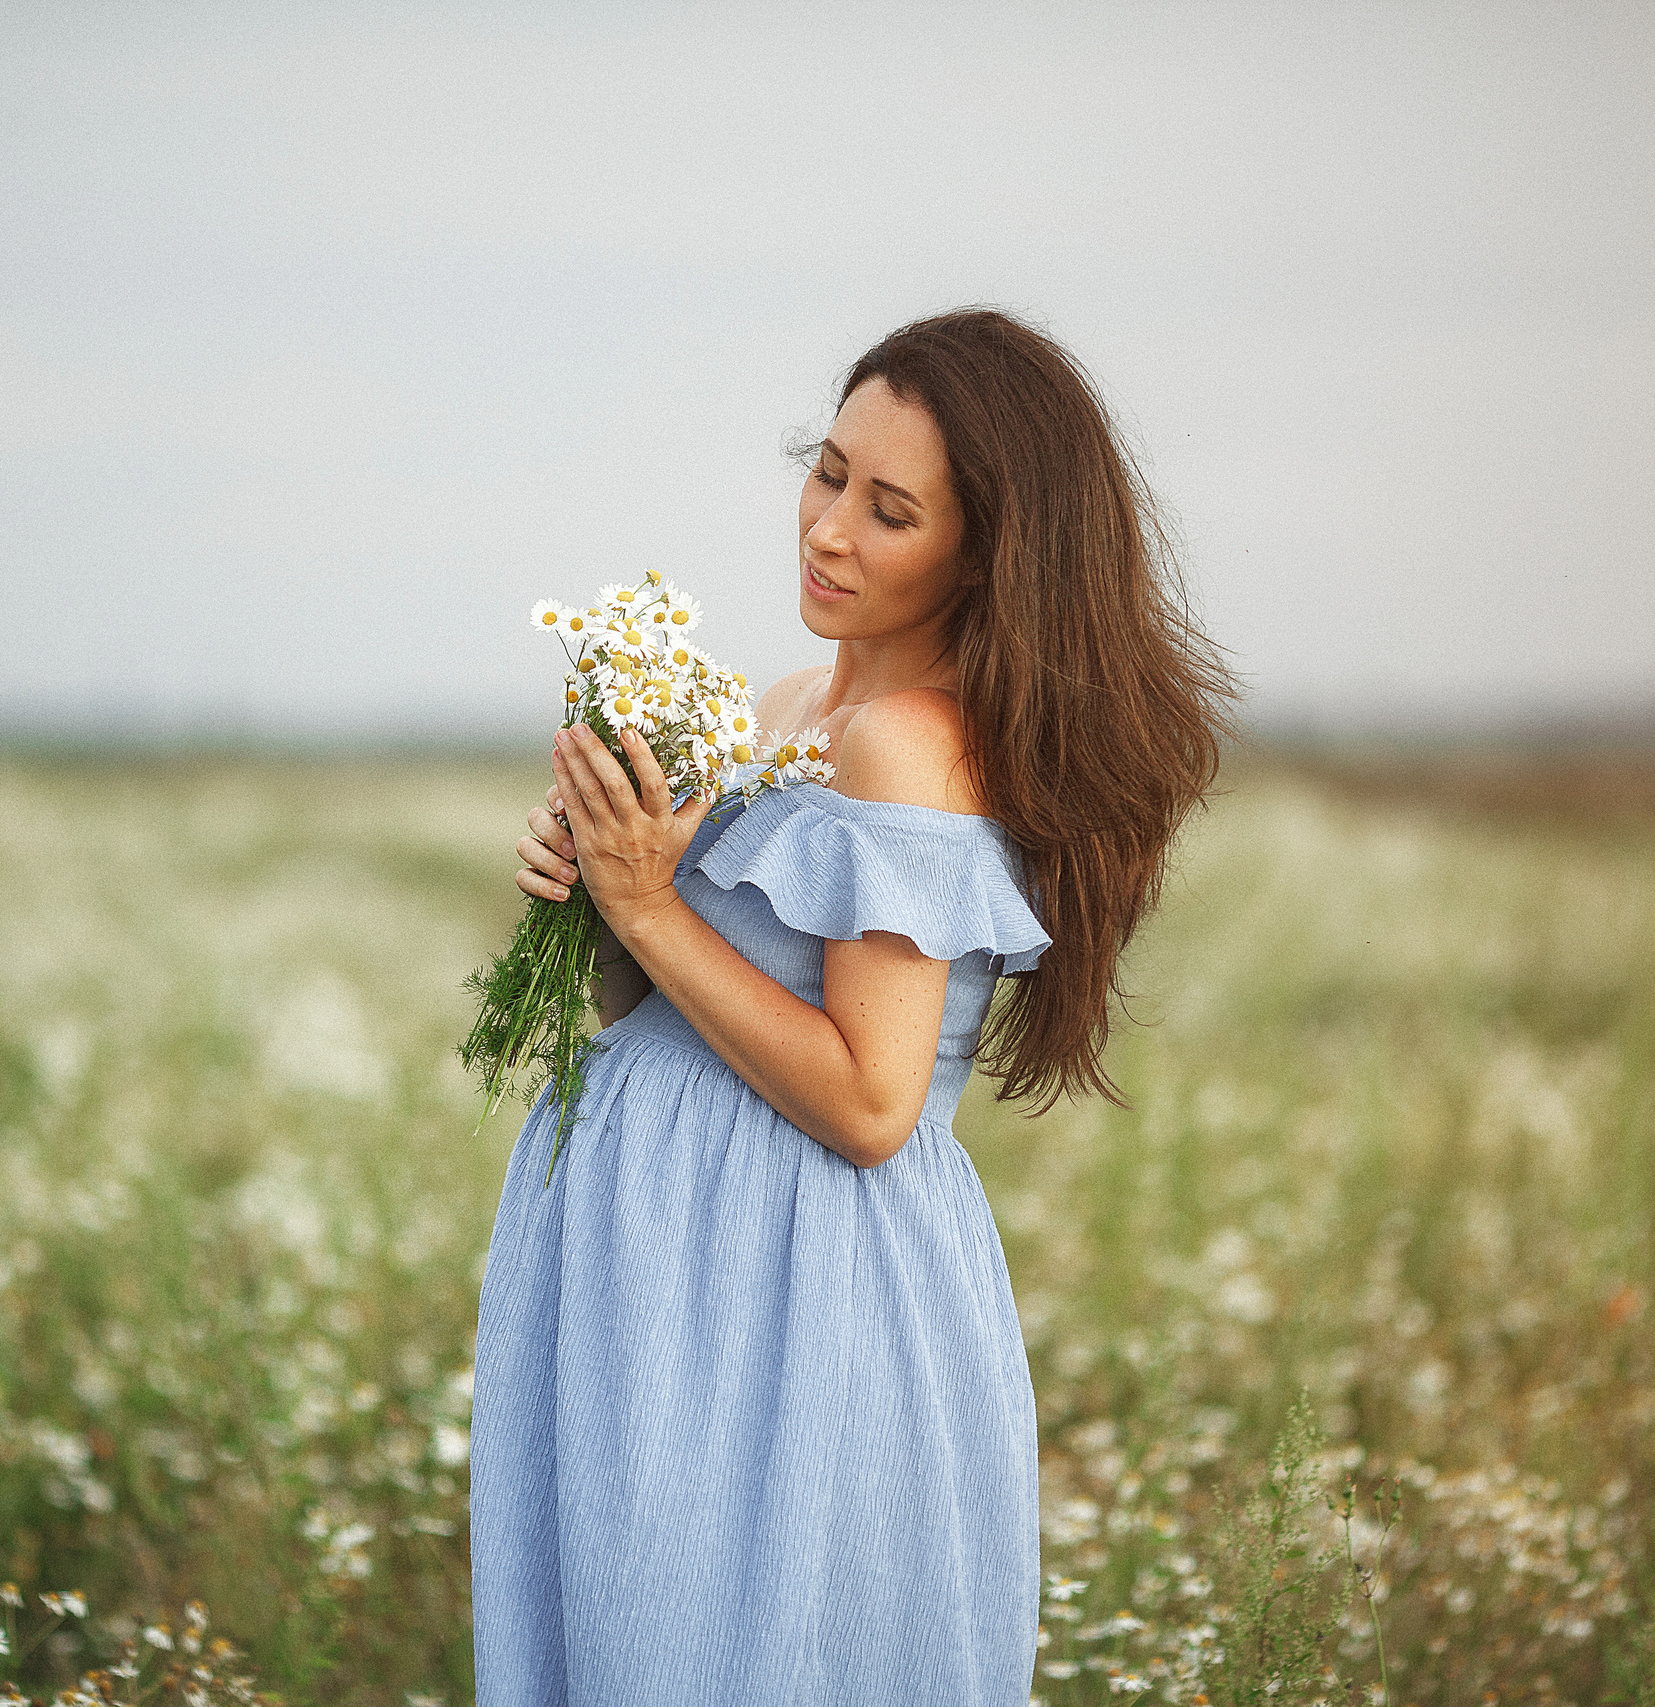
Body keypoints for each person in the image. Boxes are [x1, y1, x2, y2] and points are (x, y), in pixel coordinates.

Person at [472, 308, 1235, 1704]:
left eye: (890, 511)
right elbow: (668, 1014)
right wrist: (599, 899)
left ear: (984, 551)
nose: (828, 531)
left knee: (738, 1654)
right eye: (828, 476)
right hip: (670, 1266)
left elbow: (875, 1103)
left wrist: (649, 903)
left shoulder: (906, 746)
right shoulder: (787, 706)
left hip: (787, 1276)